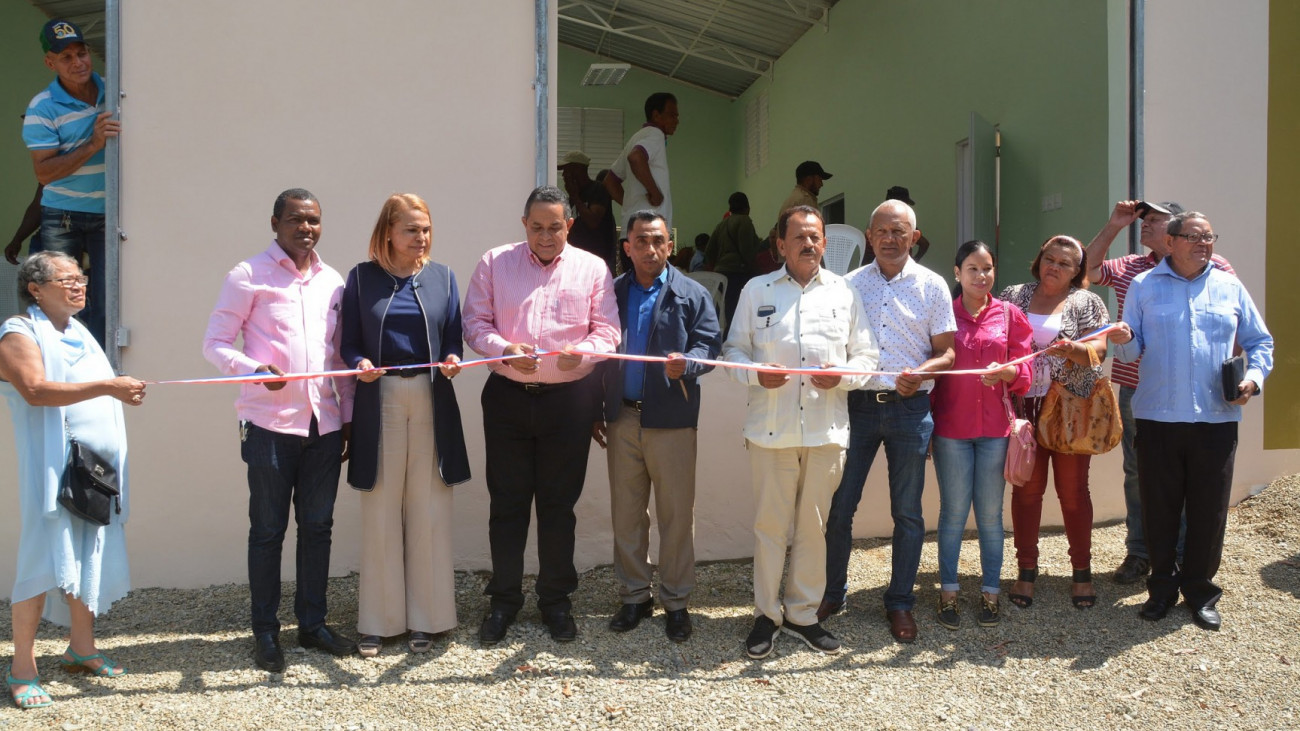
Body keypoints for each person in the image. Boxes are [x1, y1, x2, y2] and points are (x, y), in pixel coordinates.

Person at [203, 188, 358, 672]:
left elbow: (337, 357)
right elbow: (215, 343)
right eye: (295, 220)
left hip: (323, 425)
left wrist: (347, 416)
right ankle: (266, 634)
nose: (306, 228)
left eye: (313, 220)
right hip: (268, 425)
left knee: (318, 528)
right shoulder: (247, 275)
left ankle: (312, 625)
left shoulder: (333, 280)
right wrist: (253, 370)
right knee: (268, 532)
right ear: (275, 223)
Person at [462, 185, 620, 645]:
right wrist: (503, 349)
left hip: (568, 403)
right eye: (537, 227)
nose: (546, 236)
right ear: (524, 224)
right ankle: (504, 601)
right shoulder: (495, 262)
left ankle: (555, 601)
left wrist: (585, 354)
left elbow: (608, 330)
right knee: (507, 504)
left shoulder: (592, 268)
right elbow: (475, 322)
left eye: (555, 227)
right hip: (508, 399)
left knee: (558, 507)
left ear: (568, 225)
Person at [723, 205, 879, 659]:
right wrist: (755, 373)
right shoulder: (756, 290)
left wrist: (844, 376)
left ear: (826, 244)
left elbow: (867, 358)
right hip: (771, 431)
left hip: (826, 432)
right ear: (780, 245)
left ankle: (803, 615)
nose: (809, 244)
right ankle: (766, 616)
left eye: (816, 237)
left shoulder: (845, 294)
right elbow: (732, 351)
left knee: (814, 528)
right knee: (770, 527)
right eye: (799, 237)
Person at [1106, 211, 1272, 631]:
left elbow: (1259, 341)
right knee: (1159, 508)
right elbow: (1131, 350)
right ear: (1171, 241)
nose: (1204, 243)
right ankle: (1160, 590)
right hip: (1158, 416)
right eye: (1194, 236)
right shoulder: (1144, 285)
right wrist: (1123, 342)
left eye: (1209, 236)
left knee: (1208, 510)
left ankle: (1200, 592)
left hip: (1216, 419)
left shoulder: (1229, 284)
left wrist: (1252, 380)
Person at [0, 251, 146, 709]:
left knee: (87, 556)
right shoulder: (18, 332)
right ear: (35, 289)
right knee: (42, 562)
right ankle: (22, 668)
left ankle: (81, 649)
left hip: (92, 471)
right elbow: (36, 390)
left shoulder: (78, 331)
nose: (79, 284)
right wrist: (110, 387)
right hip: (52, 473)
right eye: (66, 279)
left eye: (81, 277)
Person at [340, 194, 471, 657]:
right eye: (412, 229)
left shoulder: (444, 278)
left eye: (427, 229)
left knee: (429, 507)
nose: (421, 238)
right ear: (389, 231)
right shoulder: (360, 278)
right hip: (382, 399)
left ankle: (428, 620)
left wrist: (454, 359)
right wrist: (359, 363)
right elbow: (348, 344)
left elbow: (453, 337)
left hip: (432, 397)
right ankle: (379, 621)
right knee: (380, 509)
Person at [821, 199, 955, 644]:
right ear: (869, 235)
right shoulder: (848, 284)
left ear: (914, 236)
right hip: (856, 407)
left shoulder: (933, 286)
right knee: (841, 508)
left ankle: (900, 603)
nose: (891, 239)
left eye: (900, 231)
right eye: (882, 231)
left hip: (910, 410)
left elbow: (948, 353)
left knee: (908, 513)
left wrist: (922, 374)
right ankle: (833, 593)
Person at [1084, 200, 1235, 584]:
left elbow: (1236, 323)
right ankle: (1140, 553)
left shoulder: (1215, 269)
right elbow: (1087, 269)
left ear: (1175, 231)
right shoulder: (1131, 267)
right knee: (1140, 474)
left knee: (1191, 477)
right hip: (1139, 391)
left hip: (1196, 394)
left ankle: (1184, 557)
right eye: (1143, 220)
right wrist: (1114, 224)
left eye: (1153, 221)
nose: (1144, 227)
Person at [592, 211, 721, 642]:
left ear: (670, 245)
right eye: (641, 241)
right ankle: (633, 597)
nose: (650, 249)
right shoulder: (611, 292)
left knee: (675, 515)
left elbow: (709, 347)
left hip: (672, 420)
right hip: (622, 417)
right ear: (626, 247)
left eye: (659, 241)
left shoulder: (691, 293)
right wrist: (597, 407)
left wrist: (688, 366)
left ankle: (677, 601)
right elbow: (598, 351)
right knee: (627, 514)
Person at [999, 235, 1110, 611]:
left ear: (1077, 270)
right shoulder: (1014, 295)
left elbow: (1098, 351)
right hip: (1023, 408)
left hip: (1068, 408)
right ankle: (1026, 570)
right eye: (1050, 258)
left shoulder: (1087, 301)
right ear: (1039, 259)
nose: (1055, 267)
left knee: (1073, 494)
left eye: (1065, 263)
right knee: (1027, 492)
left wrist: (1073, 348)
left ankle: (1082, 572)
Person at [929, 241, 1032, 630]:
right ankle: (949, 593)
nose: (981, 276)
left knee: (990, 516)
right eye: (972, 268)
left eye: (987, 268)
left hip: (995, 432)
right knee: (953, 514)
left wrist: (1008, 373)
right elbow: (933, 371)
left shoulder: (1010, 315)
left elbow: (1026, 372)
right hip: (951, 431)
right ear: (957, 273)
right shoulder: (942, 315)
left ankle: (991, 593)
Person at [23, 20, 119, 346]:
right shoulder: (42, 108)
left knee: (110, 301)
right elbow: (44, 174)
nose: (77, 62)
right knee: (59, 300)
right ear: (50, 63)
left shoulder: (116, 90)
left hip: (111, 215)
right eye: (66, 57)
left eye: (82, 53)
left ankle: (101, 370)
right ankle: (59, 366)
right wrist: (93, 144)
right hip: (62, 215)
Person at [606, 93, 679, 228]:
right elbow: (636, 157)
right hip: (649, 232)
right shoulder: (655, 134)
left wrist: (631, 206)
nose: (676, 121)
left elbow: (610, 181)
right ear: (656, 115)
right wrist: (655, 193)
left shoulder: (636, 137)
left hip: (632, 229)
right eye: (672, 115)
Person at [704, 192, 765, 328]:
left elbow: (709, 251)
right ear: (747, 207)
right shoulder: (744, 221)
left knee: (724, 311)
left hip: (720, 273)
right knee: (738, 312)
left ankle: (725, 340)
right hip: (737, 273)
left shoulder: (721, 225)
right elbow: (747, 250)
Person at [559, 151, 617, 272]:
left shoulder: (598, 190)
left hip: (597, 262)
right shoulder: (571, 198)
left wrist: (575, 197)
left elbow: (593, 221)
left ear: (578, 169)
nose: (564, 175)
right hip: (575, 262)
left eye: (567, 170)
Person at [768, 161, 831, 245]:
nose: (821, 184)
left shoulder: (795, 198)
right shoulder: (805, 200)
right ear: (809, 179)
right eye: (819, 179)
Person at [883, 186, 930, 262]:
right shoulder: (904, 223)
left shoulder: (877, 219)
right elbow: (925, 244)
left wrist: (914, 261)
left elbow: (924, 244)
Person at [4, 184, 43, 266]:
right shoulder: (52, 174)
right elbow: (37, 206)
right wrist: (17, 240)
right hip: (44, 241)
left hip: (73, 240)